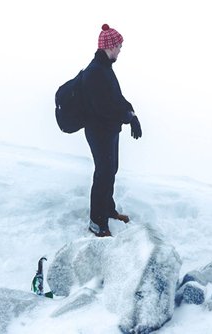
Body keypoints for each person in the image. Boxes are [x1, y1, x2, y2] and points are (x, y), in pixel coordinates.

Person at [83, 24, 142, 237]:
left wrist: (131, 113)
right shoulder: (95, 72)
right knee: (103, 173)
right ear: (110, 46)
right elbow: (103, 109)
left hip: (109, 130)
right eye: (119, 46)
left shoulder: (105, 67)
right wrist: (126, 117)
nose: (120, 50)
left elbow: (116, 97)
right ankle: (96, 222)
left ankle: (108, 210)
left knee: (111, 170)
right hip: (98, 131)